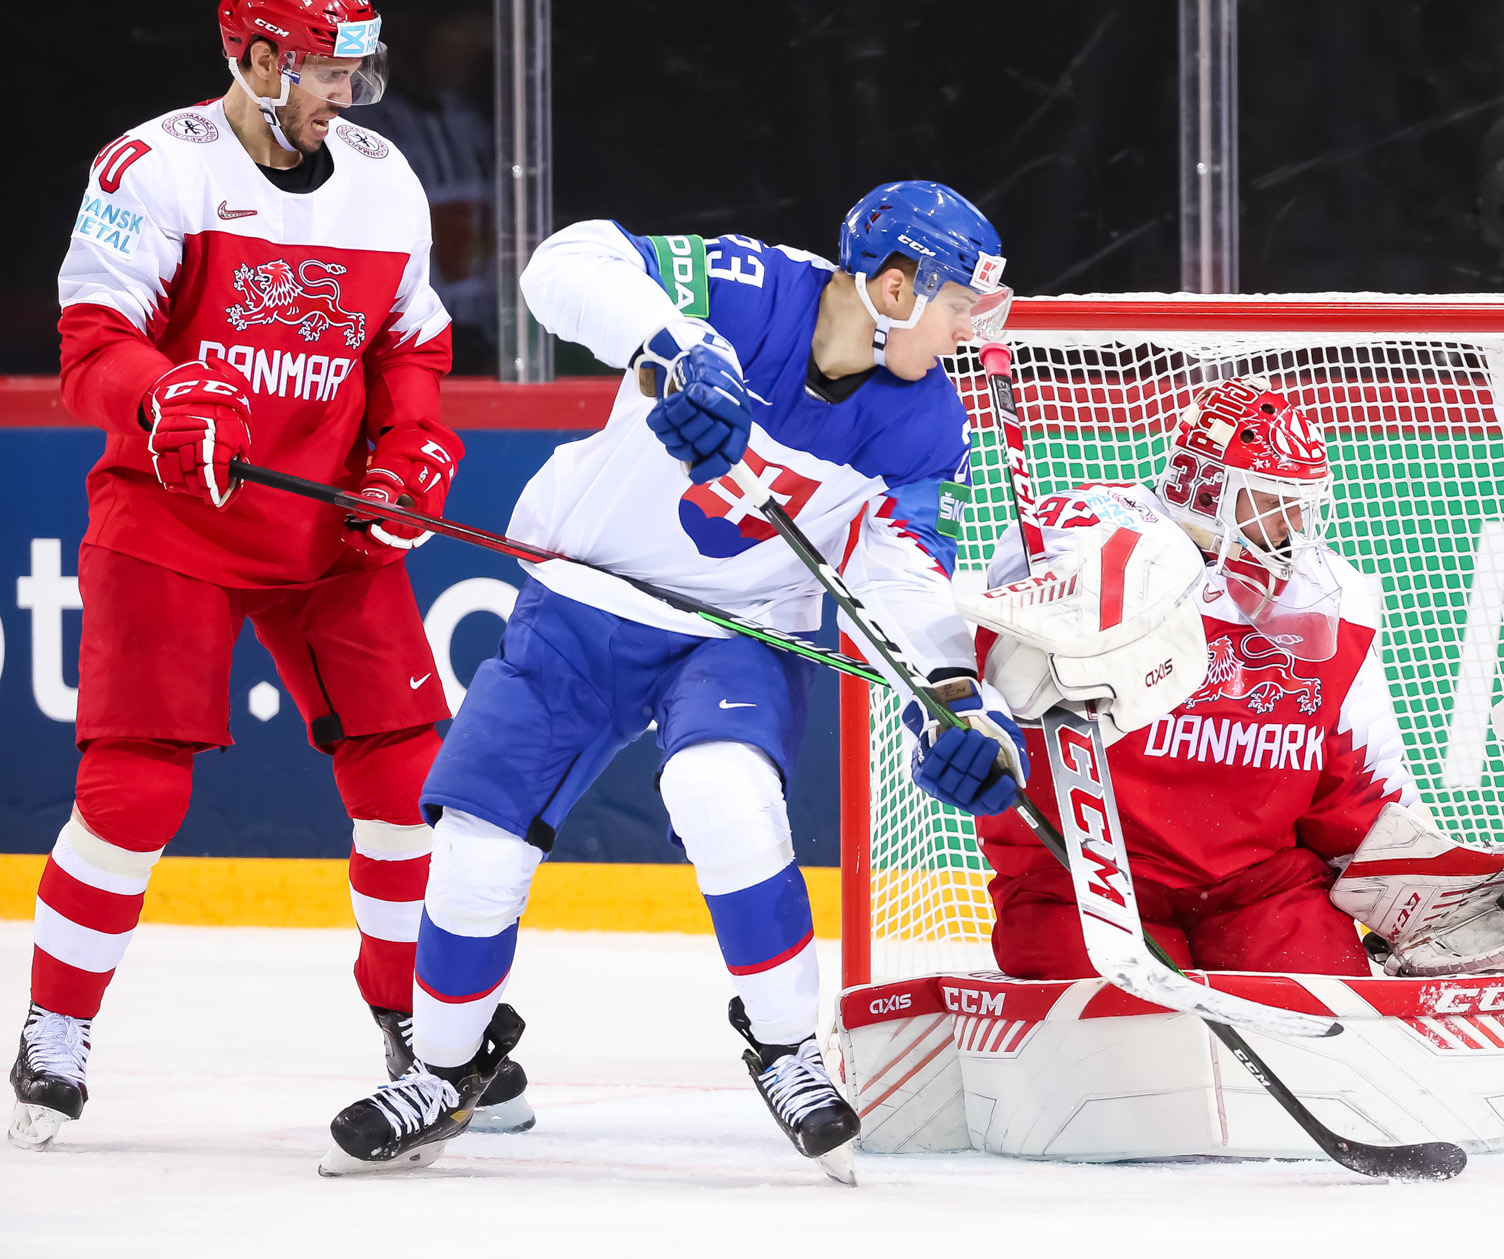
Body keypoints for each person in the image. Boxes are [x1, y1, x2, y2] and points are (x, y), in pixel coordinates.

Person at [319, 182, 1029, 1179]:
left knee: (722, 794)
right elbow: (558, 266)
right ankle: (442, 1068)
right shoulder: (747, 289)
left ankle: (787, 1049)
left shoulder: (921, 421)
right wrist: (676, 346)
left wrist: (953, 694)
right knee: (477, 844)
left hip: (734, 633)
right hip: (583, 601)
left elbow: (896, 565)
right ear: (896, 285)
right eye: (960, 304)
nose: (968, 332)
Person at [10, 0, 533, 1149]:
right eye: (325, 70)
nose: (346, 94)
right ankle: (56, 1022)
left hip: (330, 526)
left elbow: (411, 349)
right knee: (133, 792)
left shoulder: (381, 177)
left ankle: (415, 1027)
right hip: (173, 522)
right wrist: (170, 393)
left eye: (358, 69)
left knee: (411, 789)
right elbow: (93, 348)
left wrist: (414, 451)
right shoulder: (150, 168)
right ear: (252, 59)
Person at [970, 378, 1504, 981]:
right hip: (1082, 872)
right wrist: (1069, 592)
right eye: (1270, 499)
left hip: (1256, 886)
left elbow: (1357, 780)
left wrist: (1417, 886)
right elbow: (1006, 660)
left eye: (1302, 502)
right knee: (1127, 1033)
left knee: (1326, 1015)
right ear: (1206, 486)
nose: (1292, 523)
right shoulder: (1084, 531)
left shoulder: (1333, 597)